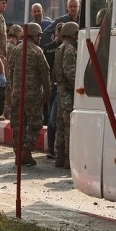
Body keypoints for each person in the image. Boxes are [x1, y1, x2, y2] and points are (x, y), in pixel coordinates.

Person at [7, 22, 51, 166]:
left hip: (17, 94)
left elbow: (10, 72)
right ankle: (26, 151)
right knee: (35, 123)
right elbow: (45, 74)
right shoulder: (37, 51)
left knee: (17, 125)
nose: (39, 38)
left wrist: (13, 90)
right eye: (38, 35)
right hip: (32, 96)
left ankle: (18, 153)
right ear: (33, 35)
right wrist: (47, 92)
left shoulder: (16, 50)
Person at [53, 21, 78, 169]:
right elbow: (70, 71)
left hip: (61, 91)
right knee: (69, 125)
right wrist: (79, 85)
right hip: (68, 91)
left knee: (60, 124)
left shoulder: (60, 48)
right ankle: (68, 159)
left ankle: (60, 156)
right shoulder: (69, 49)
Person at [42, 23, 64, 157]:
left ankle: (56, 148)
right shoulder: (49, 48)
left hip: (62, 88)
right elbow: (45, 69)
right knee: (52, 118)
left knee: (58, 118)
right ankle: (51, 148)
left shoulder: (70, 47)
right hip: (52, 88)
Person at [2, 24, 23, 119]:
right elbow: (11, 62)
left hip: (7, 73)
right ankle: (7, 113)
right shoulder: (12, 47)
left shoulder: (9, 45)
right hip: (9, 73)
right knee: (9, 95)